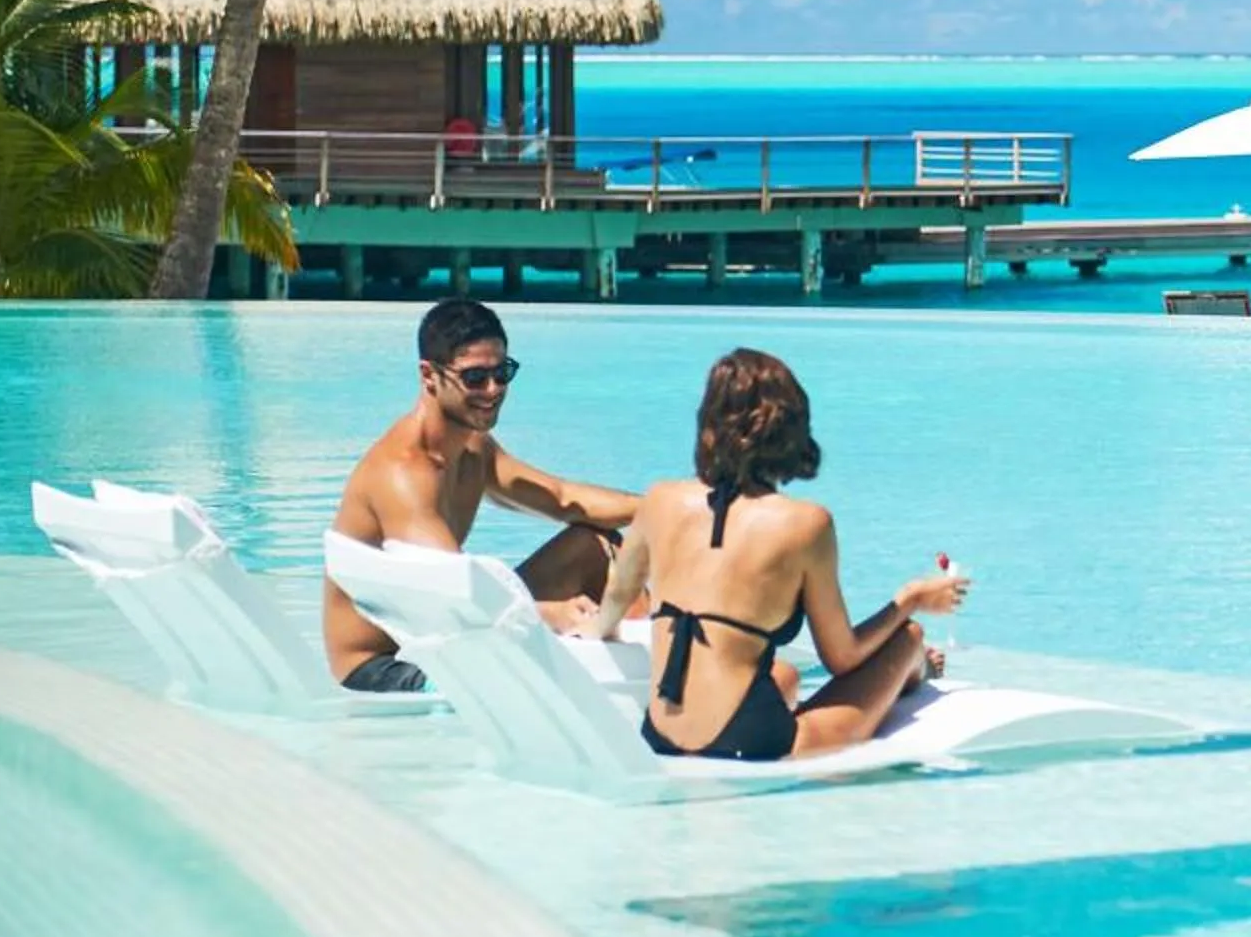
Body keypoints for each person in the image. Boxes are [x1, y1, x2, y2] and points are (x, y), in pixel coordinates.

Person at [587, 348, 967, 762]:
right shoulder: (806, 523)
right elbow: (842, 657)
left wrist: (601, 638)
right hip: (752, 742)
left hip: (659, 735)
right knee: (907, 638)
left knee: (783, 674)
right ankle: (918, 669)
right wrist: (911, 598)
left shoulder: (658, 500)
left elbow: (615, 605)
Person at [323, 298, 642, 694]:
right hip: (386, 665)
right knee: (504, 668)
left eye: (502, 373)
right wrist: (552, 615)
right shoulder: (402, 474)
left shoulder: (474, 447)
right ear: (429, 376)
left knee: (596, 543)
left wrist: (665, 507)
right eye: (475, 377)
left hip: (448, 634)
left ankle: (659, 653)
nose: (493, 390)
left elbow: (562, 498)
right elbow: (449, 598)